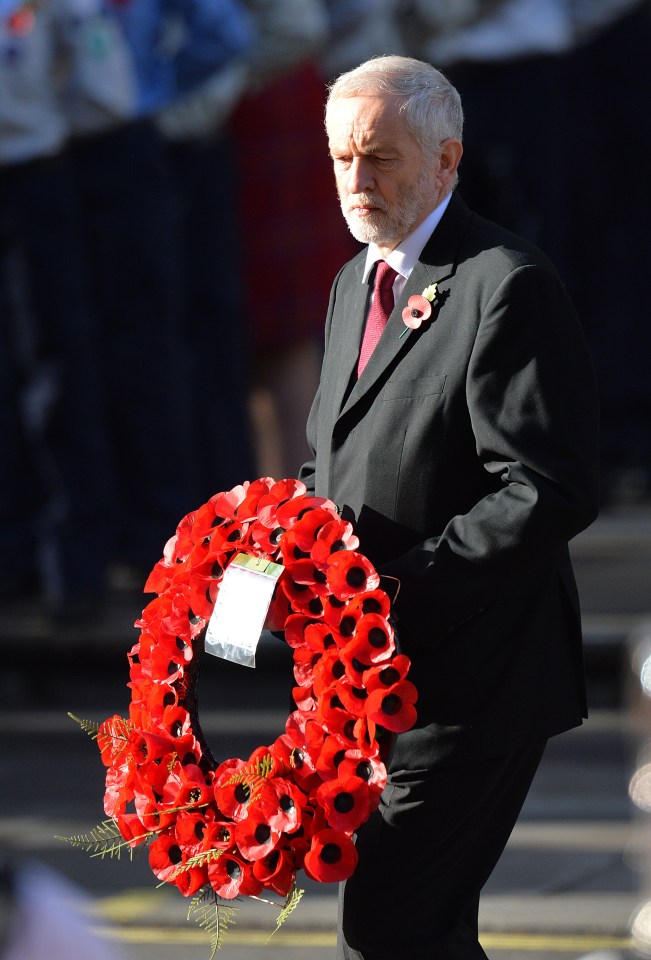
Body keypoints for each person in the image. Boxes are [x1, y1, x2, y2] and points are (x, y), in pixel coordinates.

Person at [298, 55, 600, 959]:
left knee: (392, 929)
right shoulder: (355, 283)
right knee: (414, 933)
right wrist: (269, 559)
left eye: (380, 157)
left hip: (473, 679)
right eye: (342, 158)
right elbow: (331, 458)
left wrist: (391, 596)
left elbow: (546, 488)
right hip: (373, 684)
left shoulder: (502, 283)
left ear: (445, 158)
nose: (357, 180)